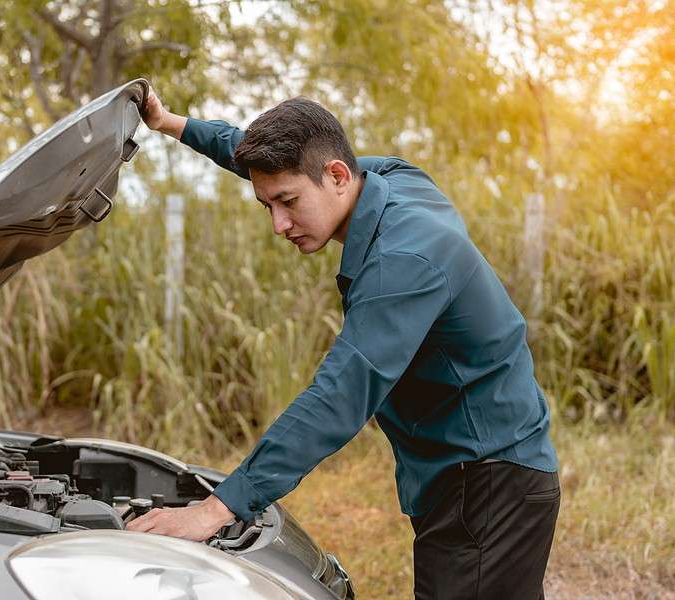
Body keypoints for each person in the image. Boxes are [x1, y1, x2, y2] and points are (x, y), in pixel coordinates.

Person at [126, 87, 560, 599]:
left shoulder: (404, 261)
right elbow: (259, 156)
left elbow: (339, 397)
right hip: (470, 469)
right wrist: (172, 123)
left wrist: (215, 509)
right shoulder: (386, 178)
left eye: (287, 203)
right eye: (267, 204)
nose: (278, 225)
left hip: (488, 485)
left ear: (335, 177)